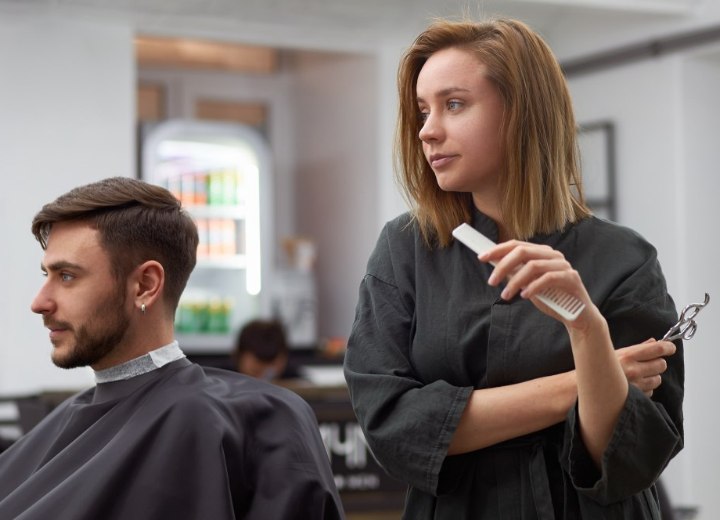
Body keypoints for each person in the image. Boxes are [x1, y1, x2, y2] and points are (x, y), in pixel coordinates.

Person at [343, 18, 683, 519]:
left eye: (453, 104)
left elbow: (630, 458)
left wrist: (587, 330)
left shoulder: (625, 260)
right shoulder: (406, 249)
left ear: (521, 112)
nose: (427, 130)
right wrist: (588, 380)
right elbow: (393, 427)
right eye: (422, 111)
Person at [0, 177, 344, 520]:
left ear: (145, 286)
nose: (39, 302)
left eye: (67, 276)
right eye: (46, 274)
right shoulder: (55, 429)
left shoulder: (262, 425)